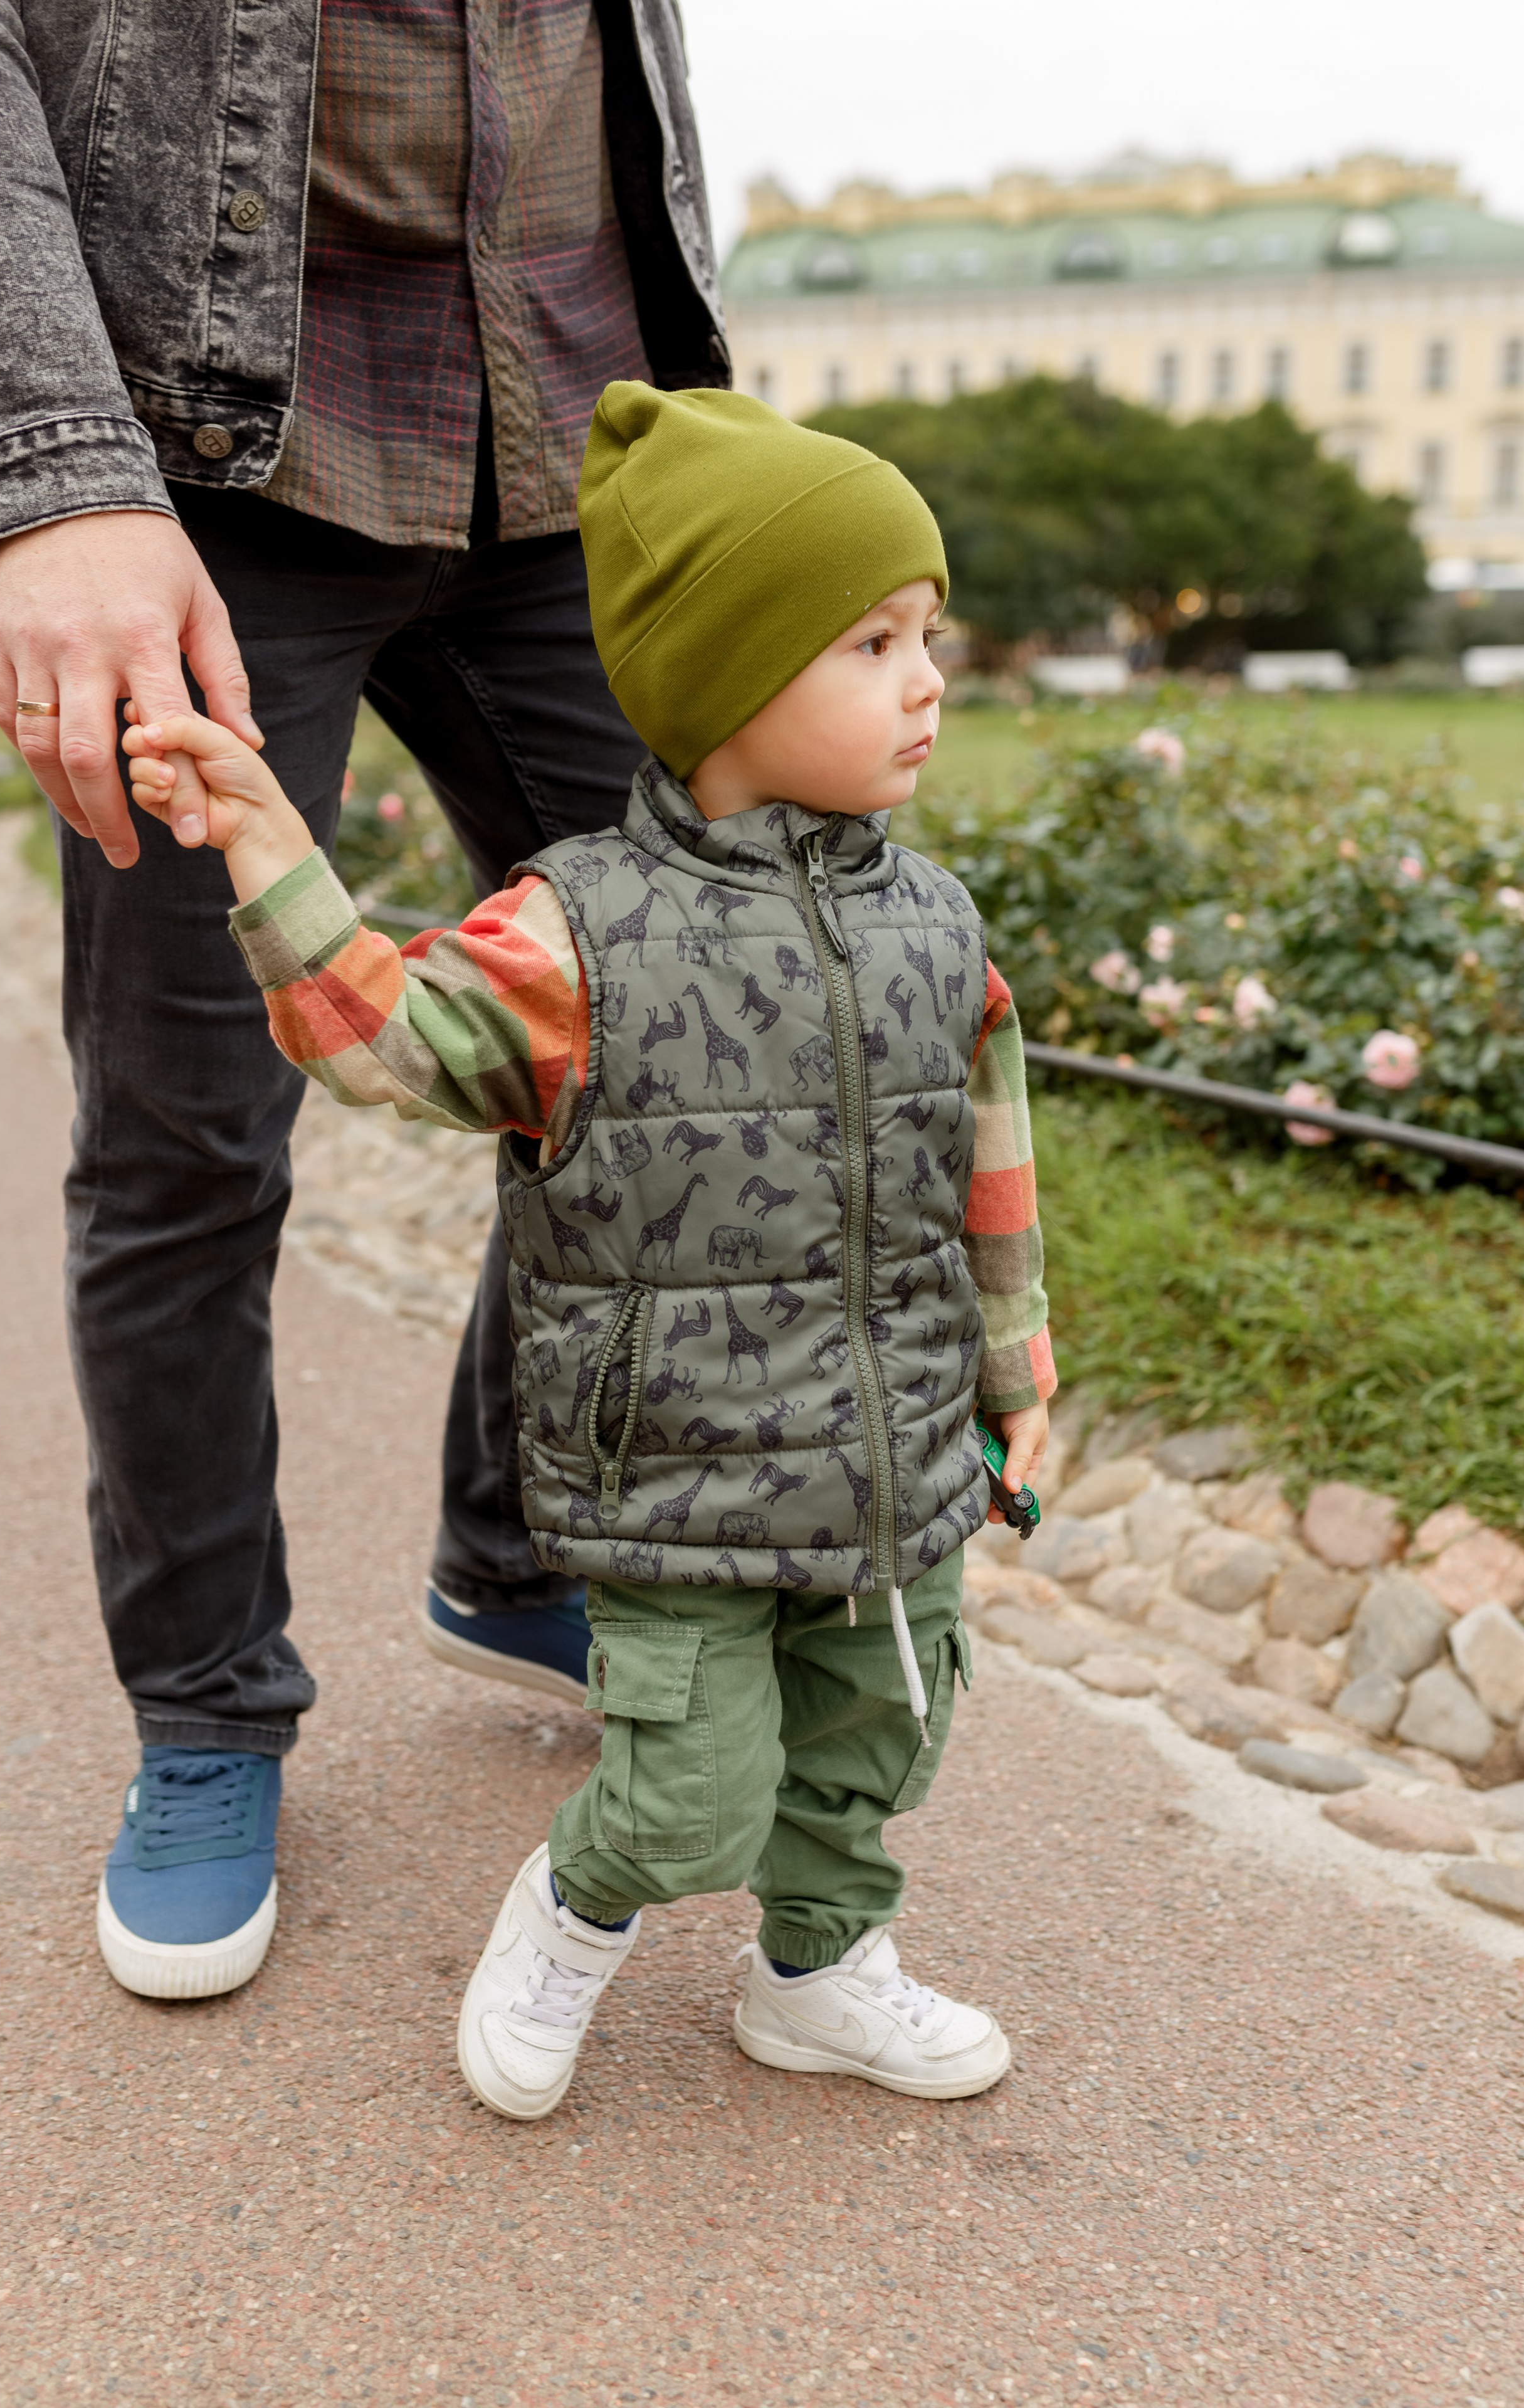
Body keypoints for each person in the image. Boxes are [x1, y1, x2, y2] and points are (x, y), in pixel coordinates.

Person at [122, 385, 1058, 2108]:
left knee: (879, 1739)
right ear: (726, 677)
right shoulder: (578, 931)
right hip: (679, 1481)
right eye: (870, 641)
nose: (928, 677)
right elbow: (377, 1036)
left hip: (895, 1456)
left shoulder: (938, 927)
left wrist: (1018, 1376)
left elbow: (986, 1172)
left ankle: (822, 1971)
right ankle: (570, 1911)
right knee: (686, 1788)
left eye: (929, 633)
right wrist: (271, 847)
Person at [0, 0, 727, 1999]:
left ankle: (513, 1545)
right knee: (189, 1137)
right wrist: (50, 475)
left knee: (666, 1032)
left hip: (581, 432)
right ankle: (211, 1711)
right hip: (203, 461)